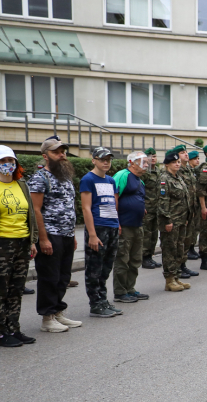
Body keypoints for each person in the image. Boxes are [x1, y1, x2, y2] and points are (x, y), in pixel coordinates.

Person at [27, 137, 81, 332]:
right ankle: (47, 318)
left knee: (63, 276)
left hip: (66, 234)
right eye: (57, 152)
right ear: (45, 156)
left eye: (63, 152)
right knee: (49, 276)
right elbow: (36, 210)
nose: (62, 155)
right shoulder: (40, 178)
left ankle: (58, 312)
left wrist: (73, 234)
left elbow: (69, 208)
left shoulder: (65, 177)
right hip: (50, 234)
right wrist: (43, 239)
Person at [0, 146, 38, 347]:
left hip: (22, 242)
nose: (8, 164)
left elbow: (29, 214)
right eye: (3, 160)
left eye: (11, 160)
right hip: (2, 243)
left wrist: (32, 241)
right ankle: (1, 332)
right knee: (1, 290)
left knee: (16, 289)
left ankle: (14, 328)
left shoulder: (20, 184)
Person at [79, 147, 122, 318]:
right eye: (102, 159)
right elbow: (86, 208)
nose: (106, 162)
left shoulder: (110, 181)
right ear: (94, 160)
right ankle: (95, 304)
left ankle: (103, 300)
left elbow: (113, 205)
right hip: (98, 227)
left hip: (111, 227)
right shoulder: (88, 179)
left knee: (106, 267)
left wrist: (117, 224)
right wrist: (92, 234)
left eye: (109, 159)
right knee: (94, 268)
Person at [112, 151, 150, 303]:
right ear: (132, 163)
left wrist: (142, 209)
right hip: (125, 225)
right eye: (143, 162)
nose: (147, 165)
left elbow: (137, 198)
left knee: (135, 259)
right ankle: (120, 292)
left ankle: (130, 289)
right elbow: (113, 197)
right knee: (122, 259)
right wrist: (116, 222)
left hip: (137, 225)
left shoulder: (140, 180)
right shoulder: (123, 175)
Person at [159, 146, 191, 292]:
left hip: (181, 220)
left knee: (179, 249)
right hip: (171, 221)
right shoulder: (164, 179)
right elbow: (162, 202)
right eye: (174, 162)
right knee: (169, 250)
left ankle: (176, 276)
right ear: (167, 164)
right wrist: (167, 221)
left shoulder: (179, 178)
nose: (177, 164)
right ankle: (169, 279)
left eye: (178, 162)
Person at [140, 148, 162, 270]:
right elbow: (139, 190)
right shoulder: (144, 173)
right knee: (146, 234)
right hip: (147, 207)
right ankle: (145, 257)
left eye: (154, 156)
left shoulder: (158, 171)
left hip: (156, 207)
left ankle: (150, 256)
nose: (153, 158)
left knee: (154, 233)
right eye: (150, 156)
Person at [180, 151, 200, 279]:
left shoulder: (188, 170)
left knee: (187, 238)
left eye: (186, 152)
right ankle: (176, 268)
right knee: (180, 241)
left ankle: (183, 265)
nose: (186, 154)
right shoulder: (177, 171)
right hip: (180, 211)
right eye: (182, 152)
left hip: (191, 209)